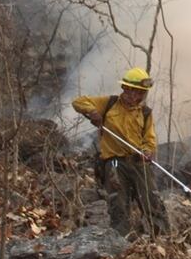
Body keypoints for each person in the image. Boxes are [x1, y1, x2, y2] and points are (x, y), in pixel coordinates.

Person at [72, 67, 170, 236]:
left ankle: (163, 240)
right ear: (125, 89)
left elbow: (149, 138)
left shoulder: (145, 113)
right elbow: (78, 102)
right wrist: (93, 112)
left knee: (152, 200)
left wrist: (147, 150)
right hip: (115, 162)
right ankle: (121, 241)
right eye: (133, 92)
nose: (136, 96)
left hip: (139, 162)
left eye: (141, 93)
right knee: (118, 203)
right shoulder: (109, 104)